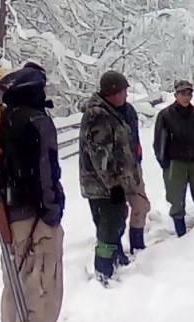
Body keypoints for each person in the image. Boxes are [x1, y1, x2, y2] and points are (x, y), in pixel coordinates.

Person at [0, 63, 65, 322]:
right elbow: (45, 172)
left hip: (6, 217)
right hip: (34, 216)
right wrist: (51, 212)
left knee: (13, 282)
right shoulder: (38, 122)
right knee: (38, 287)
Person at [79, 70, 141, 283]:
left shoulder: (111, 111)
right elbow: (100, 155)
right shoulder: (99, 115)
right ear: (112, 93)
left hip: (111, 183)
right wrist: (113, 184)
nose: (125, 96)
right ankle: (103, 269)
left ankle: (115, 256)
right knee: (108, 227)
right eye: (123, 91)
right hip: (102, 186)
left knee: (116, 221)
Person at [153, 80, 194, 236]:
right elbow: (159, 140)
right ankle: (180, 232)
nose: (186, 97)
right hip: (175, 162)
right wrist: (164, 161)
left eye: (189, 94)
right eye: (182, 94)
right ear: (176, 95)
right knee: (176, 199)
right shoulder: (165, 115)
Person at [118, 101, 151, 253]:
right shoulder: (100, 114)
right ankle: (113, 251)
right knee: (115, 214)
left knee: (141, 205)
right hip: (112, 170)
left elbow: (134, 137)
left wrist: (137, 157)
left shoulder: (129, 110)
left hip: (133, 165)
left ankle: (137, 245)